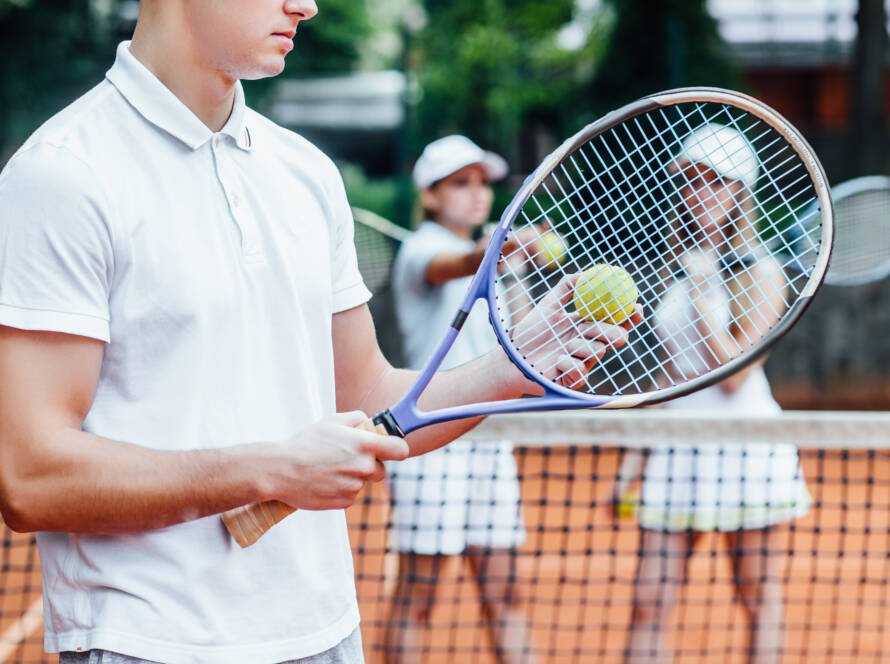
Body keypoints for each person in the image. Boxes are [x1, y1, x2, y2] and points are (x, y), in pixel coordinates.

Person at [0, 3, 636, 663]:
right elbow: (31, 478)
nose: (305, 5)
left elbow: (367, 396)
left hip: (327, 634)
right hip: (149, 644)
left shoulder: (305, 172)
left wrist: (508, 369)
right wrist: (268, 470)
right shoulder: (62, 176)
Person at [620, 124, 811, 664]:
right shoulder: (679, 267)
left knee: (757, 597)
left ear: (739, 193)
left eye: (716, 182)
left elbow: (734, 377)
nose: (700, 193)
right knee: (648, 602)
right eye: (691, 181)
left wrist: (705, 291)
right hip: (678, 448)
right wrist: (632, 461)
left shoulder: (764, 272)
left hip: (747, 448)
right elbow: (671, 378)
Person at [383, 136, 542, 664]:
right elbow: (459, 262)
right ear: (430, 196)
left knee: (504, 592)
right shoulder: (421, 250)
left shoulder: (499, 261)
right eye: (460, 183)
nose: (477, 193)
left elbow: (523, 346)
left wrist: (512, 264)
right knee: (420, 594)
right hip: (430, 440)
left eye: (482, 183)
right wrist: (497, 248)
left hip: (489, 439)